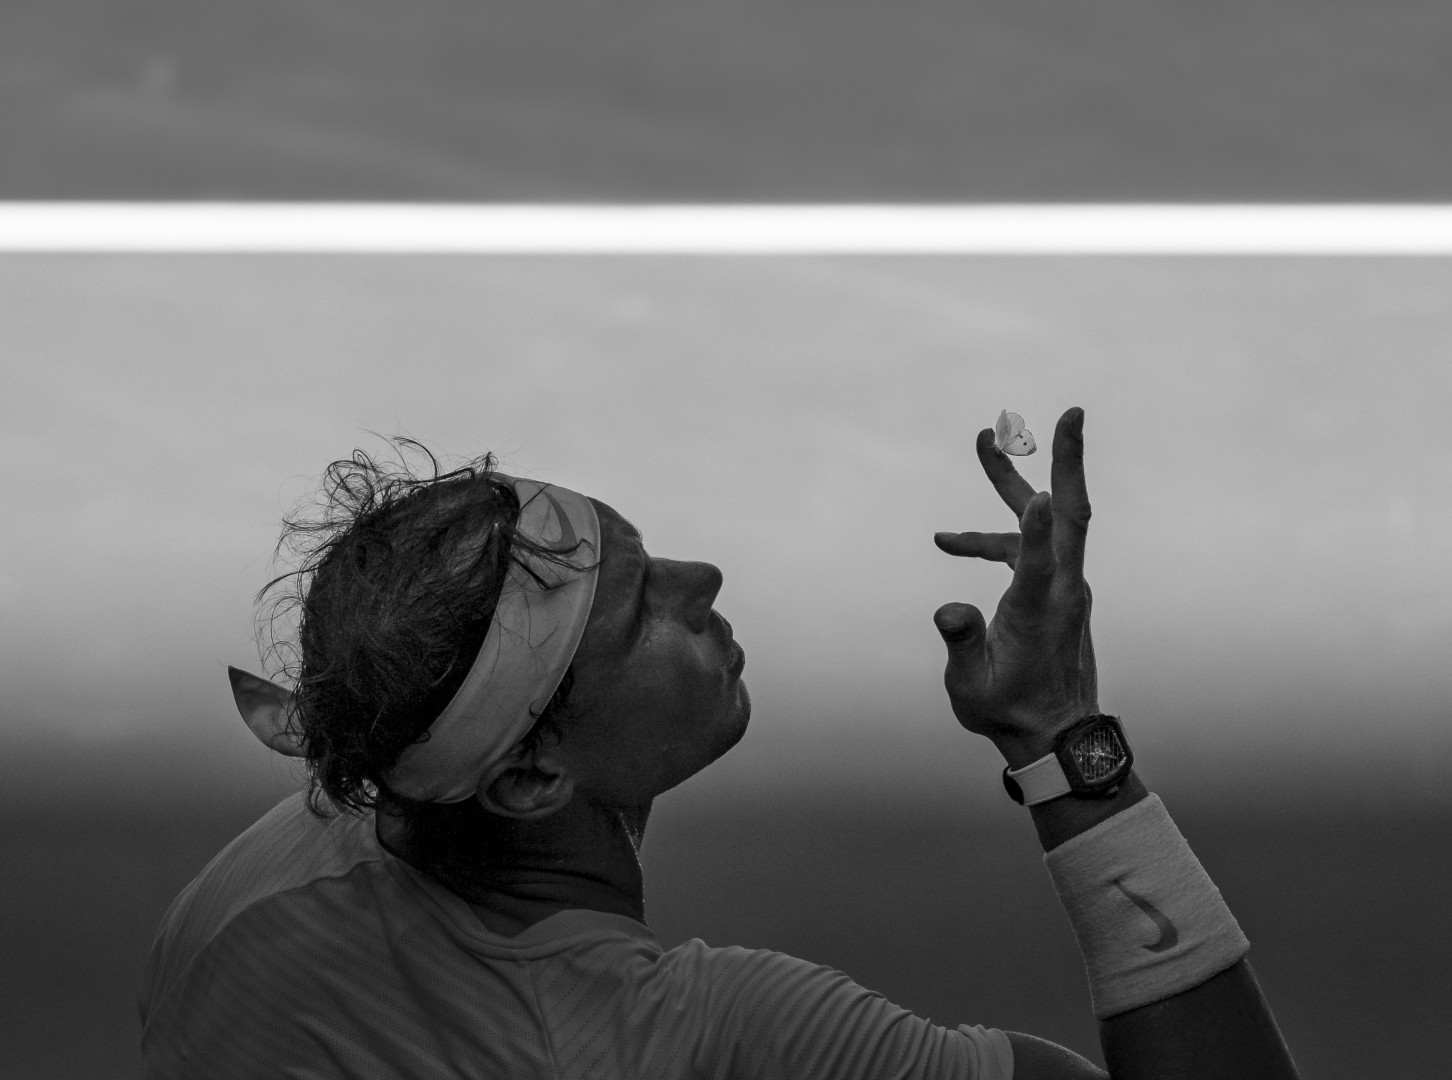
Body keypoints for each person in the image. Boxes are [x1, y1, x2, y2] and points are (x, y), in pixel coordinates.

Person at [138, 408, 1300, 1079]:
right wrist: (1064, 740)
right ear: (534, 778)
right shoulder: (709, 1039)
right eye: (642, 611)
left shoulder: (243, 899)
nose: (706, 581)